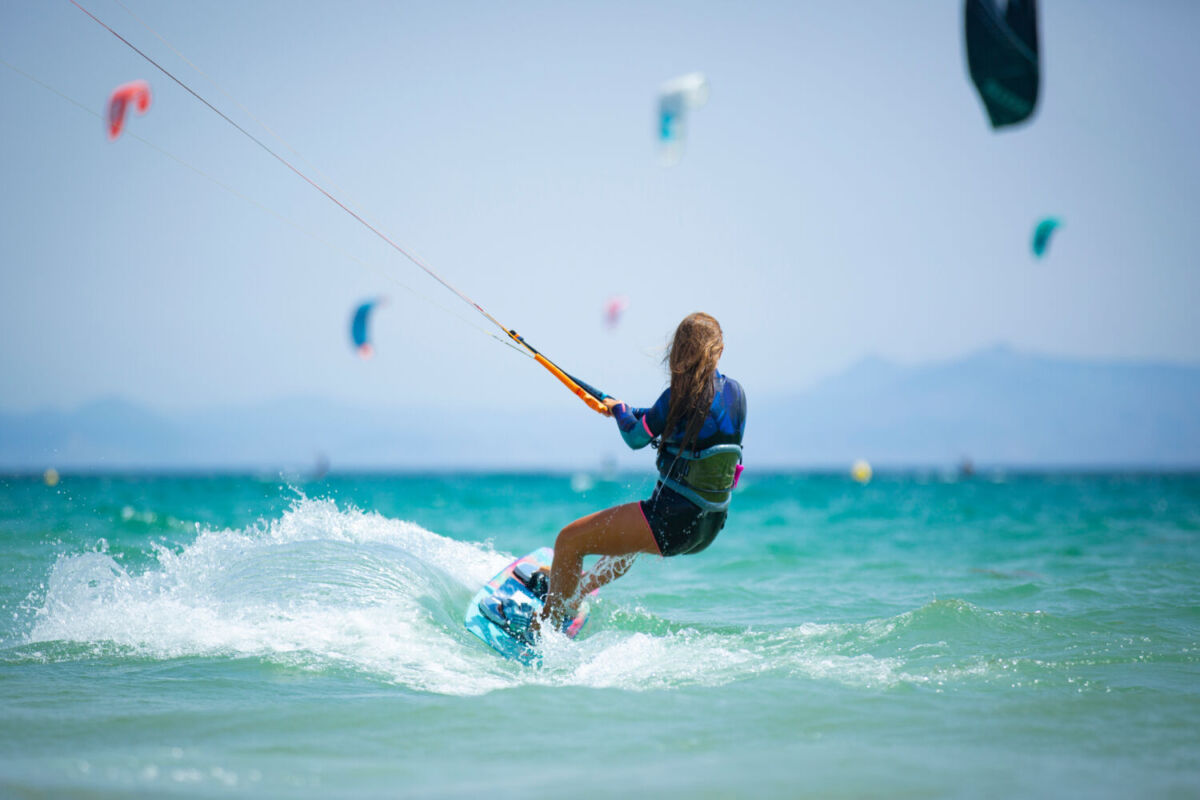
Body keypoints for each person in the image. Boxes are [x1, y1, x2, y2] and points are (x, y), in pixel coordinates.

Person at [538, 311, 747, 631]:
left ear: (678, 351)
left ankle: (545, 629)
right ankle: (574, 593)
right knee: (630, 539)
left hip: (671, 523)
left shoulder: (678, 395)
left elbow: (636, 438)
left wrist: (622, 413)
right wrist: (625, 410)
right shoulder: (737, 395)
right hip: (709, 525)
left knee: (568, 540)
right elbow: (685, 421)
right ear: (719, 350)